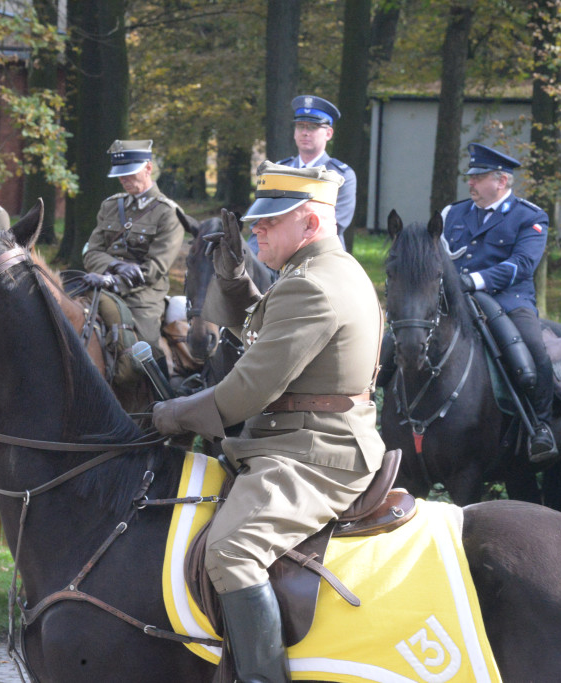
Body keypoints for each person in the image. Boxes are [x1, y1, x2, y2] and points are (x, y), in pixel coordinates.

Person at [152, 162, 385, 682]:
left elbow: (247, 390)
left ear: (310, 223)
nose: (257, 228)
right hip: (294, 438)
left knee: (231, 550)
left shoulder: (314, 286)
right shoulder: (313, 274)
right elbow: (270, 329)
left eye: (270, 220)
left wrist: (170, 415)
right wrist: (234, 282)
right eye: (257, 220)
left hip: (314, 454)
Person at [441, 143, 557, 463]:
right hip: (455, 300)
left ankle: (541, 426)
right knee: (400, 341)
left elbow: (522, 264)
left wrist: (475, 281)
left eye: (478, 178)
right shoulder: (453, 214)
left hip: (508, 301)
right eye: (470, 177)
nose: (470, 183)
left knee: (532, 350)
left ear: (501, 181)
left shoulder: (530, 217)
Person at [82, 139, 184, 347]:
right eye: (120, 174)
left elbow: (154, 268)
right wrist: (115, 266)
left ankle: (157, 379)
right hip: (99, 285)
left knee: (144, 350)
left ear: (148, 168)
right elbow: (91, 253)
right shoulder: (110, 206)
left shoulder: (168, 213)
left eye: (130, 172)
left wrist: (114, 281)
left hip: (142, 295)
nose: (123, 179)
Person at [274, 95, 357, 250]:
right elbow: (262, 220)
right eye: (300, 126)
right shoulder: (279, 171)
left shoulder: (342, 176)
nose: (305, 132)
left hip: (322, 255)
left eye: (312, 127)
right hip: (277, 256)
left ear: (328, 133)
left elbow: (334, 225)